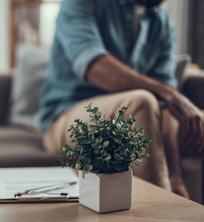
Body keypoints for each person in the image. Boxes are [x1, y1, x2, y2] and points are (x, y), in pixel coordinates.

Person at [40, 0, 204, 198]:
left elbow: (166, 105)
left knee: (187, 116)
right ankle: (162, 220)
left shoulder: (162, 23)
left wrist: (175, 175)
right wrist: (169, 93)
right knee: (142, 102)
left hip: (134, 113)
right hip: (65, 116)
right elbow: (94, 66)